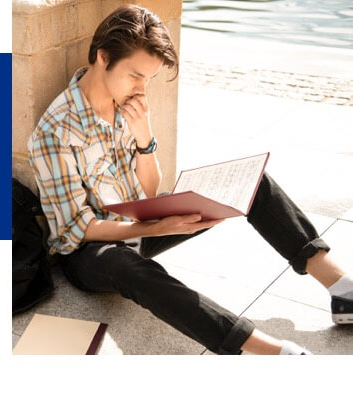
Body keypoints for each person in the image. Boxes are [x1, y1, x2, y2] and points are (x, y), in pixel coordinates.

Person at [27, 4, 352, 355]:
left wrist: (144, 139)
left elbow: (148, 191)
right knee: (128, 267)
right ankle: (268, 352)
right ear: (103, 57)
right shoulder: (53, 131)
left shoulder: (127, 105)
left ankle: (342, 290)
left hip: (140, 220)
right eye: (136, 76)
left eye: (148, 80)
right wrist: (156, 228)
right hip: (91, 253)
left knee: (252, 183)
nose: (141, 88)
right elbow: (79, 227)